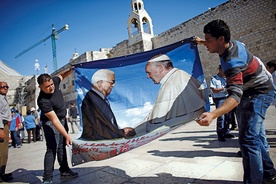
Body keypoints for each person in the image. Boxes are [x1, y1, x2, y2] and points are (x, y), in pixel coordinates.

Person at [193, 19, 276, 183]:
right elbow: (238, 92)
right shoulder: (232, 43)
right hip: (250, 89)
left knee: (248, 139)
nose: (206, 45)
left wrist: (213, 114)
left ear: (221, 40)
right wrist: (201, 41)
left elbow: (235, 96)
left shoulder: (232, 62)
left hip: (259, 92)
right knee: (254, 136)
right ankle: (269, 172)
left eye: (208, 41)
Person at [136, 54, 206, 133]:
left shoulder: (176, 82)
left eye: (149, 72)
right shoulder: (174, 78)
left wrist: (137, 130)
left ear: (160, 68)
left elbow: (158, 122)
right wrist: (136, 129)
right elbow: (155, 116)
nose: (148, 76)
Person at [37, 66, 78, 184]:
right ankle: (47, 178)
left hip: (62, 120)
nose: (51, 88)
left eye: (51, 84)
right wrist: (67, 135)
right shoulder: (42, 100)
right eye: (47, 87)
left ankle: (64, 170)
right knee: (51, 149)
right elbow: (54, 121)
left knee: (61, 147)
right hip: (51, 123)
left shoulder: (54, 81)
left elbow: (61, 75)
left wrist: (70, 70)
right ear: (40, 87)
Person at [81, 69, 136, 140]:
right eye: (112, 82)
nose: (113, 85)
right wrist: (122, 132)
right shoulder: (93, 100)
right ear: (99, 83)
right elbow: (99, 128)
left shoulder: (97, 98)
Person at [210, 65, 234, 142]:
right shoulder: (213, 79)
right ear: (219, 69)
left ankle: (226, 131)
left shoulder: (225, 79)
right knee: (221, 117)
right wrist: (223, 88)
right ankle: (220, 134)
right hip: (219, 99)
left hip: (227, 98)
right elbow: (214, 90)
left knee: (228, 116)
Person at [0, 81, 13, 182]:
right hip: (1, 126)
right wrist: (0, 129)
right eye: (2, 87)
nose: (5, 88)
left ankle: (2, 173)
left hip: (5, 125)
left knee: (4, 152)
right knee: (2, 152)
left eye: (7, 87)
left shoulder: (3, 99)